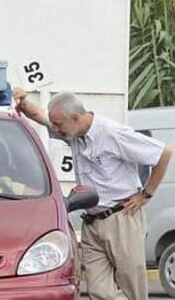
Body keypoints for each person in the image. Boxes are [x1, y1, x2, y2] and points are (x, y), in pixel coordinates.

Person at [13, 87, 173, 300]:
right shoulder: (73, 133)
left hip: (120, 219)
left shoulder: (112, 133)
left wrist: (146, 194)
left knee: (132, 286)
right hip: (92, 221)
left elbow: (163, 153)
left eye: (59, 125)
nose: (56, 130)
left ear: (76, 118)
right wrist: (22, 101)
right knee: (98, 291)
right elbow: (40, 116)